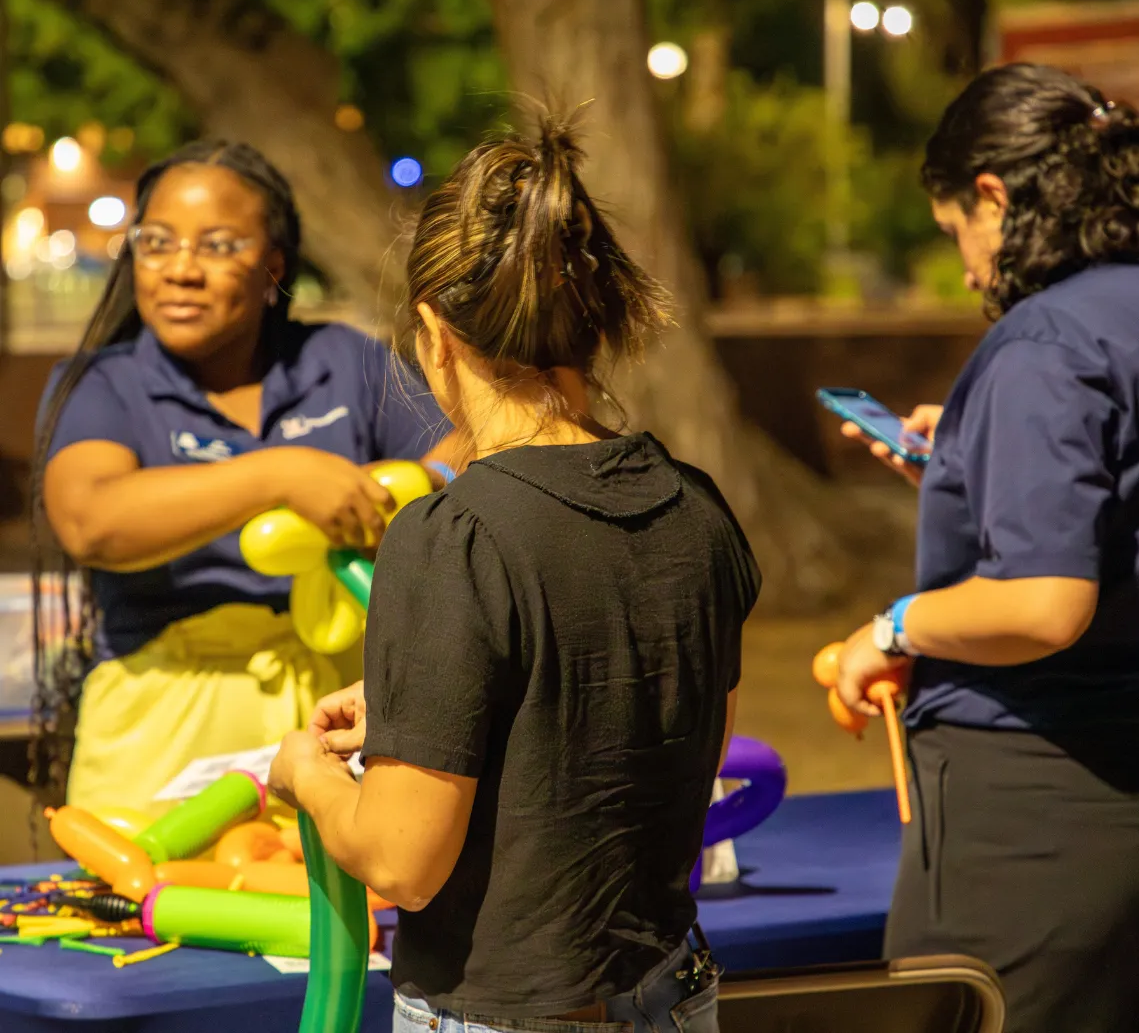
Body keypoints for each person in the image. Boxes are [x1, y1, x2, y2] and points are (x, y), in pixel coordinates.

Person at [269, 116, 758, 1033]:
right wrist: (428, 715)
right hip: (673, 990)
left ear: (435, 336)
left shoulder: (450, 534)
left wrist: (307, 774)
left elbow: (402, 861)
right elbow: (661, 735)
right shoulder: (696, 506)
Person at [836, 63, 1139, 1032]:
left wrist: (892, 627)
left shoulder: (1043, 345)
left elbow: (1046, 602)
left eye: (957, 228)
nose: (968, 264)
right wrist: (972, 464)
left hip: (1038, 806)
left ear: (995, 196)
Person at [33, 140, 461, 812]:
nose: (180, 270)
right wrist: (280, 476)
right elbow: (90, 520)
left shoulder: (343, 359)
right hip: (158, 735)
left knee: (344, 914)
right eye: (157, 242)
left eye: (217, 245)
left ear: (273, 267)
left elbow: (469, 447)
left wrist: (417, 482)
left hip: (337, 718)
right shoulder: (102, 384)